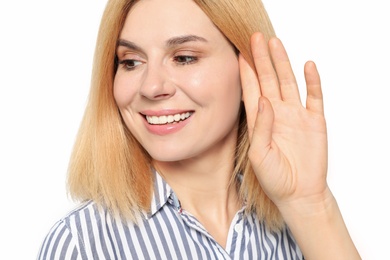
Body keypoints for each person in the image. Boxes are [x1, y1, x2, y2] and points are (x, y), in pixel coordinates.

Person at [37, 0, 361, 259]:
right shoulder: (81, 245)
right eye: (131, 61)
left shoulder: (295, 225)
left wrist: (311, 204)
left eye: (185, 57)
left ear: (247, 67)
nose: (151, 87)